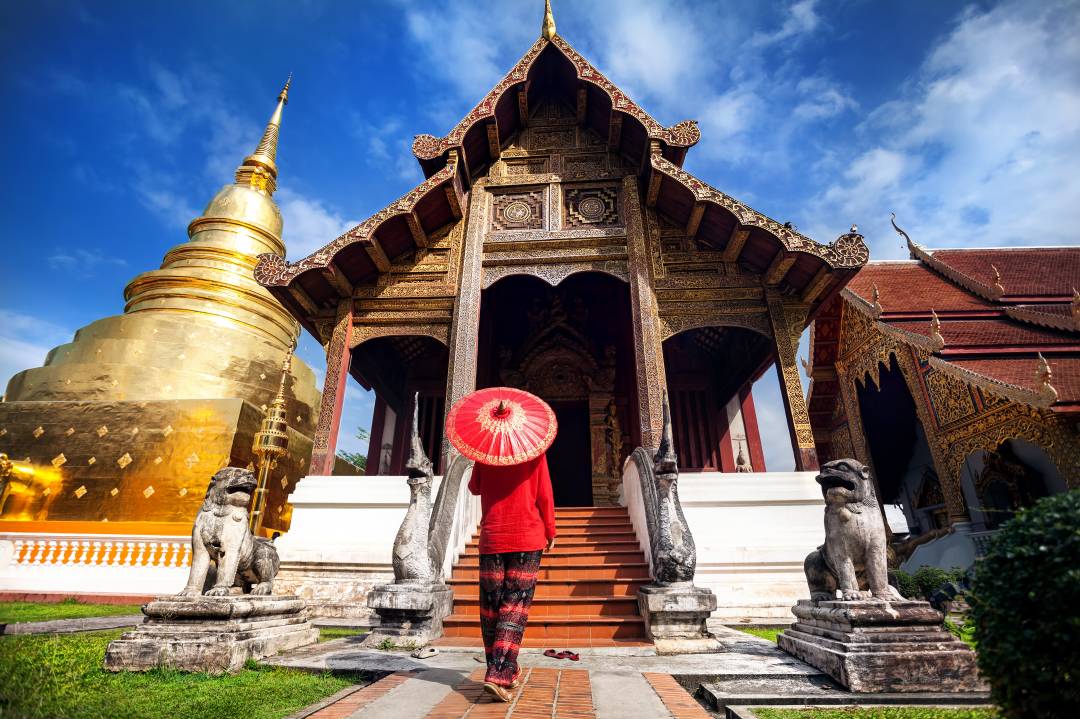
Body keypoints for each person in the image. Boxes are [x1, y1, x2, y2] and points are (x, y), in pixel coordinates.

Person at [467, 453, 556, 702]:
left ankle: (503, 668)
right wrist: (551, 529)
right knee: (514, 606)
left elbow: (474, 487)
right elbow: (544, 494)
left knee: (492, 608)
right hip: (527, 538)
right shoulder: (533, 452)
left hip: (493, 537)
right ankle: (499, 673)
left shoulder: (484, 453)